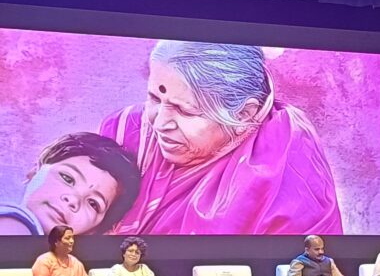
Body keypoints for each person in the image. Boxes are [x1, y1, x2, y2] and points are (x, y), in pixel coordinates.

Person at [100, 41, 342, 235]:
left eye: (185, 111)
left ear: (244, 114)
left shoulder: (286, 162)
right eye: (155, 98)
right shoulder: (126, 131)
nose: (159, 123)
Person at [0, 133, 140, 236]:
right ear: (34, 172)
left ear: (95, 231)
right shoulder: (12, 224)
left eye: (93, 203)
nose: (73, 200)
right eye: (67, 178)